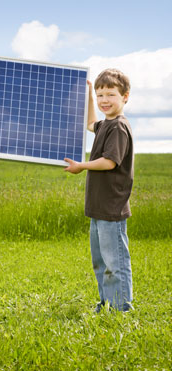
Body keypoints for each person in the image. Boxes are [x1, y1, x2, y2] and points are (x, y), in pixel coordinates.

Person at [64, 68, 134, 312]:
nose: (104, 100)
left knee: (115, 261)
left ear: (125, 97)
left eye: (110, 95)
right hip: (98, 206)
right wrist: (87, 98)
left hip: (111, 207)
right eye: (100, 94)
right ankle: (107, 302)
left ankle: (121, 307)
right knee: (100, 261)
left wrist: (82, 165)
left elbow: (110, 162)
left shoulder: (118, 127)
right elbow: (90, 123)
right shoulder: (106, 124)